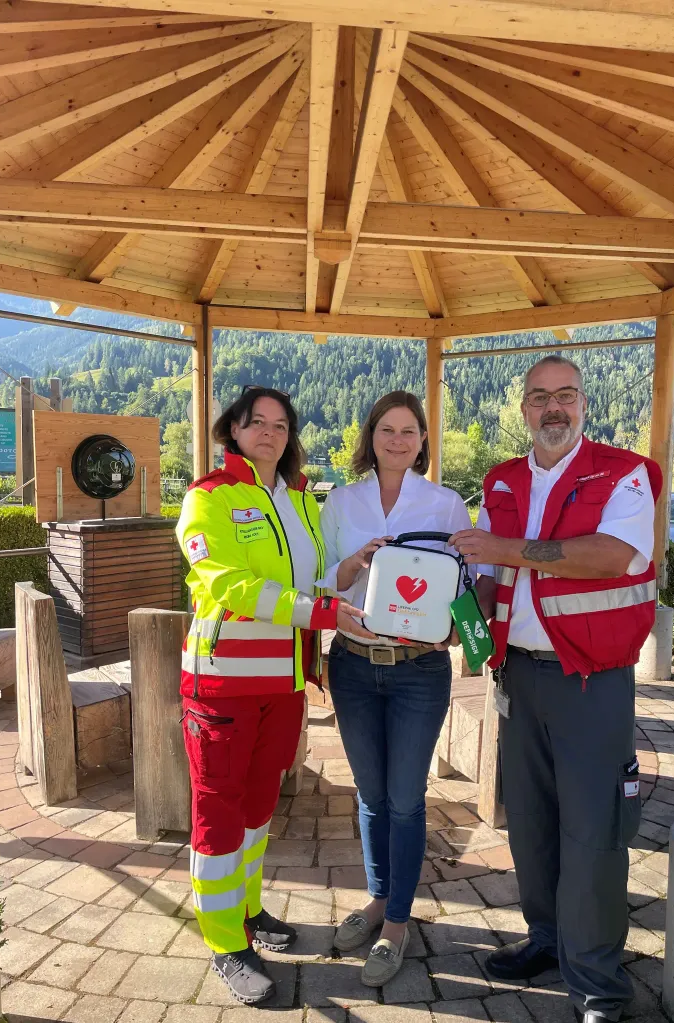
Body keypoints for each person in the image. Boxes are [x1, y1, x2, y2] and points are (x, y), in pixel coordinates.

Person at [450, 355, 661, 1023]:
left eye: (565, 395)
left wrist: (508, 549)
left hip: (592, 684)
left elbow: (614, 555)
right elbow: (489, 573)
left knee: (594, 830)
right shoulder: (503, 479)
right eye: (539, 397)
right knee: (532, 825)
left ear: (584, 404)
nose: (552, 408)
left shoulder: (625, 473)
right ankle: (547, 938)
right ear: (522, 409)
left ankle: (598, 982)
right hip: (517, 674)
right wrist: (462, 610)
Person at [175, 386, 368, 1007]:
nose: (268, 433)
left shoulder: (301, 501)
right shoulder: (208, 498)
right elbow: (228, 584)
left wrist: (352, 570)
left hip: (282, 688)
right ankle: (226, 943)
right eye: (255, 422)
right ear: (232, 429)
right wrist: (320, 611)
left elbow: (309, 582)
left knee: (259, 809)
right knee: (218, 814)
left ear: (290, 436)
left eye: (280, 425)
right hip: (223, 684)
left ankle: (250, 910)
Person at [319, 390, 471, 987]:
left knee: (406, 799)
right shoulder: (340, 501)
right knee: (371, 795)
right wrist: (350, 570)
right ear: (371, 435)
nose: (398, 440)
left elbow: (472, 582)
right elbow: (319, 578)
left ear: (423, 439)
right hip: (354, 666)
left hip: (417, 673)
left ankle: (397, 925)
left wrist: (457, 633)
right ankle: (379, 900)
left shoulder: (446, 503)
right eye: (388, 429)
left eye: (410, 431)